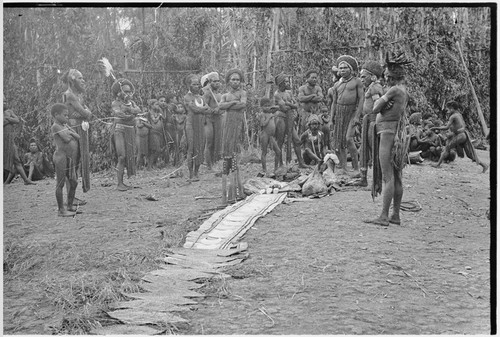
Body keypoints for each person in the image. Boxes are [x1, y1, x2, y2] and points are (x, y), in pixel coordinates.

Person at [364, 53, 411, 227]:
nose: (386, 78)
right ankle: (395, 215)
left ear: (391, 76)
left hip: (387, 133)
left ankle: (384, 216)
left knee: (388, 175)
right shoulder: (402, 90)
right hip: (393, 132)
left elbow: (375, 108)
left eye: (387, 76)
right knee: (397, 176)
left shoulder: (394, 90)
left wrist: (382, 102)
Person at [331, 55, 364, 177]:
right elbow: (333, 103)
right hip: (339, 113)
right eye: (341, 68)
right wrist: (331, 118)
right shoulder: (336, 85)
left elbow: (361, 99)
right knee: (339, 142)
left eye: (345, 67)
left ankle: (356, 168)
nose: (343, 70)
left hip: (351, 112)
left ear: (351, 69)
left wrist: (357, 116)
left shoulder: (357, 82)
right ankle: (344, 168)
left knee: (348, 139)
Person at [431, 101, 488, 172]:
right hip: (463, 135)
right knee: (469, 155)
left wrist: (435, 128)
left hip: (460, 136)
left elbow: (446, 127)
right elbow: (463, 126)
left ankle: (438, 164)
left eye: (448, 109)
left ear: (452, 108)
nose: (447, 111)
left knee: (447, 148)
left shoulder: (453, 116)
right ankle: (484, 165)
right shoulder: (459, 115)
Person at [62, 68, 92, 205]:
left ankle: (72, 196)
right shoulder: (70, 95)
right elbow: (85, 113)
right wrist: (85, 112)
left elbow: (84, 112)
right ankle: (70, 197)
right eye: (80, 78)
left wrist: (85, 112)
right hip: (73, 130)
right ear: (72, 80)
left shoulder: (78, 95)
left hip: (79, 129)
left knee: (76, 162)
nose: (83, 80)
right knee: (72, 163)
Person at [219, 68, 247, 205]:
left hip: (238, 125)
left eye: (237, 79)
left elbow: (243, 105)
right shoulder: (225, 95)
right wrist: (232, 104)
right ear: (229, 81)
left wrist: (229, 106)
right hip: (228, 125)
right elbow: (220, 106)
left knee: (235, 152)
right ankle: (228, 194)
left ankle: (237, 191)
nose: (235, 82)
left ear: (240, 81)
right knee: (227, 153)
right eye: (233, 79)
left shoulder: (243, 93)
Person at [110, 78, 141, 191]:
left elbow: (137, 110)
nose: (128, 94)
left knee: (129, 156)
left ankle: (123, 182)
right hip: (119, 131)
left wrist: (129, 112)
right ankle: (119, 184)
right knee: (121, 156)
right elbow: (119, 113)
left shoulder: (132, 103)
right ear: (119, 92)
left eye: (129, 92)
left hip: (130, 131)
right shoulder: (116, 103)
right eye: (125, 91)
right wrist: (130, 113)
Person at [50, 103, 81, 217]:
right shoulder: (56, 126)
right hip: (61, 157)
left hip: (70, 158)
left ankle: (69, 205)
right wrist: (70, 133)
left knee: (73, 181)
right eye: (65, 115)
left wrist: (69, 132)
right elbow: (67, 139)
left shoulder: (65, 126)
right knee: (61, 183)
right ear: (56, 115)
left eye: (68, 115)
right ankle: (61, 210)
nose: (67, 118)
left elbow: (77, 137)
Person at [359, 60, 384, 186]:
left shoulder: (374, 88)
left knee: (373, 148)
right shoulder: (372, 87)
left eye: (364, 76)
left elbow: (378, 104)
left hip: (373, 122)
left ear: (373, 77)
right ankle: (367, 177)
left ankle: (377, 178)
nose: (361, 79)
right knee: (369, 148)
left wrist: (373, 118)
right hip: (369, 120)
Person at [273, 73, 307, 168]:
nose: (288, 83)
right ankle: (279, 164)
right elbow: (283, 108)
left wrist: (288, 104)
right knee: (280, 141)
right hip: (281, 118)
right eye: (286, 81)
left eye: (288, 81)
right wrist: (290, 105)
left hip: (290, 119)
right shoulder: (277, 94)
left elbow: (296, 105)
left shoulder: (289, 93)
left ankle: (301, 162)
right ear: (281, 83)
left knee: (296, 140)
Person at [184, 74, 210, 181]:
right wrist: (203, 108)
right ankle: (190, 174)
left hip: (200, 124)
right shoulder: (187, 97)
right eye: (194, 84)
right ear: (189, 85)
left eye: (198, 84)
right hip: (191, 125)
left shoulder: (201, 97)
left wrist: (203, 109)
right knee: (191, 148)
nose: (196, 86)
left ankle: (196, 172)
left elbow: (207, 108)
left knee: (200, 147)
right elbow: (195, 109)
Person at [3, 107, 36, 185]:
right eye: (3, 101)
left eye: (5, 101)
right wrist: (10, 119)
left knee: (16, 160)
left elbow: (17, 120)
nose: (4, 103)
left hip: (10, 140)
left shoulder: (9, 111)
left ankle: (26, 180)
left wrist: (6, 118)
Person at [202, 72, 223, 171]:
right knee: (209, 142)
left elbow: (223, 107)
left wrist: (219, 110)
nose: (217, 83)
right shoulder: (207, 93)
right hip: (209, 119)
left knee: (217, 142)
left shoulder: (219, 94)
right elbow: (203, 105)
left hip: (218, 119)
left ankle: (215, 163)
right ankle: (209, 165)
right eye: (214, 81)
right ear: (210, 82)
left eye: (218, 81)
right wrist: (211, 110)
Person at [258, 97, 281, 176]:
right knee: (264, 152)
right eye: (265, 106)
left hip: (271, 136)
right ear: (261, 107)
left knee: (278, 151)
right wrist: (268, 118)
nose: (267, 107)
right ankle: (264, 169)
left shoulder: (271, 113)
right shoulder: (262, 114)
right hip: (265, 134)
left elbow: (279, 107)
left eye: (268, 106)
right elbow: (262, 124)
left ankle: (276, 168)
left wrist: (272, 108)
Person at [297, 69, 324, 135]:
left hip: (316, 113)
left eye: (315, 78)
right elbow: (301, 98)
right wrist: (312, 95)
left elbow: (320, 98)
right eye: (312, 78)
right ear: (307, 78)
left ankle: (319, 144)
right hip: (305, 113)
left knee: (318, 131)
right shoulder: (302, 88)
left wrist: (307, 98)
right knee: (304, 130)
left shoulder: (318, 88)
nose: (314, 79)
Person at [147, 99, 166, 169]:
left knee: (158, 149)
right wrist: (159, 116)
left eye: (158, 104)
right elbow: (154, 121)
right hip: (153, 132)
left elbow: (164, 118)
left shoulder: (158, 111)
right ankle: (150, 165)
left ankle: (153, 164)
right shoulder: (150, 112)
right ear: (151, 105)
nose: (158, 106)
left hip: (159, 133)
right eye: (156, 104)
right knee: (156, 149)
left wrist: (160, 113)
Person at [172, 102, 187, 166]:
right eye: (178, 107)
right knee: (177, 146)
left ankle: (182, 161)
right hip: (177, 132)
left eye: (181, 107)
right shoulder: (175, 116)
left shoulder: (184, 116)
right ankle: (176, 162)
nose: (180, 108)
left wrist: (175, 118)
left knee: (182, 146)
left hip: (183, 132)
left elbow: (180, 122)